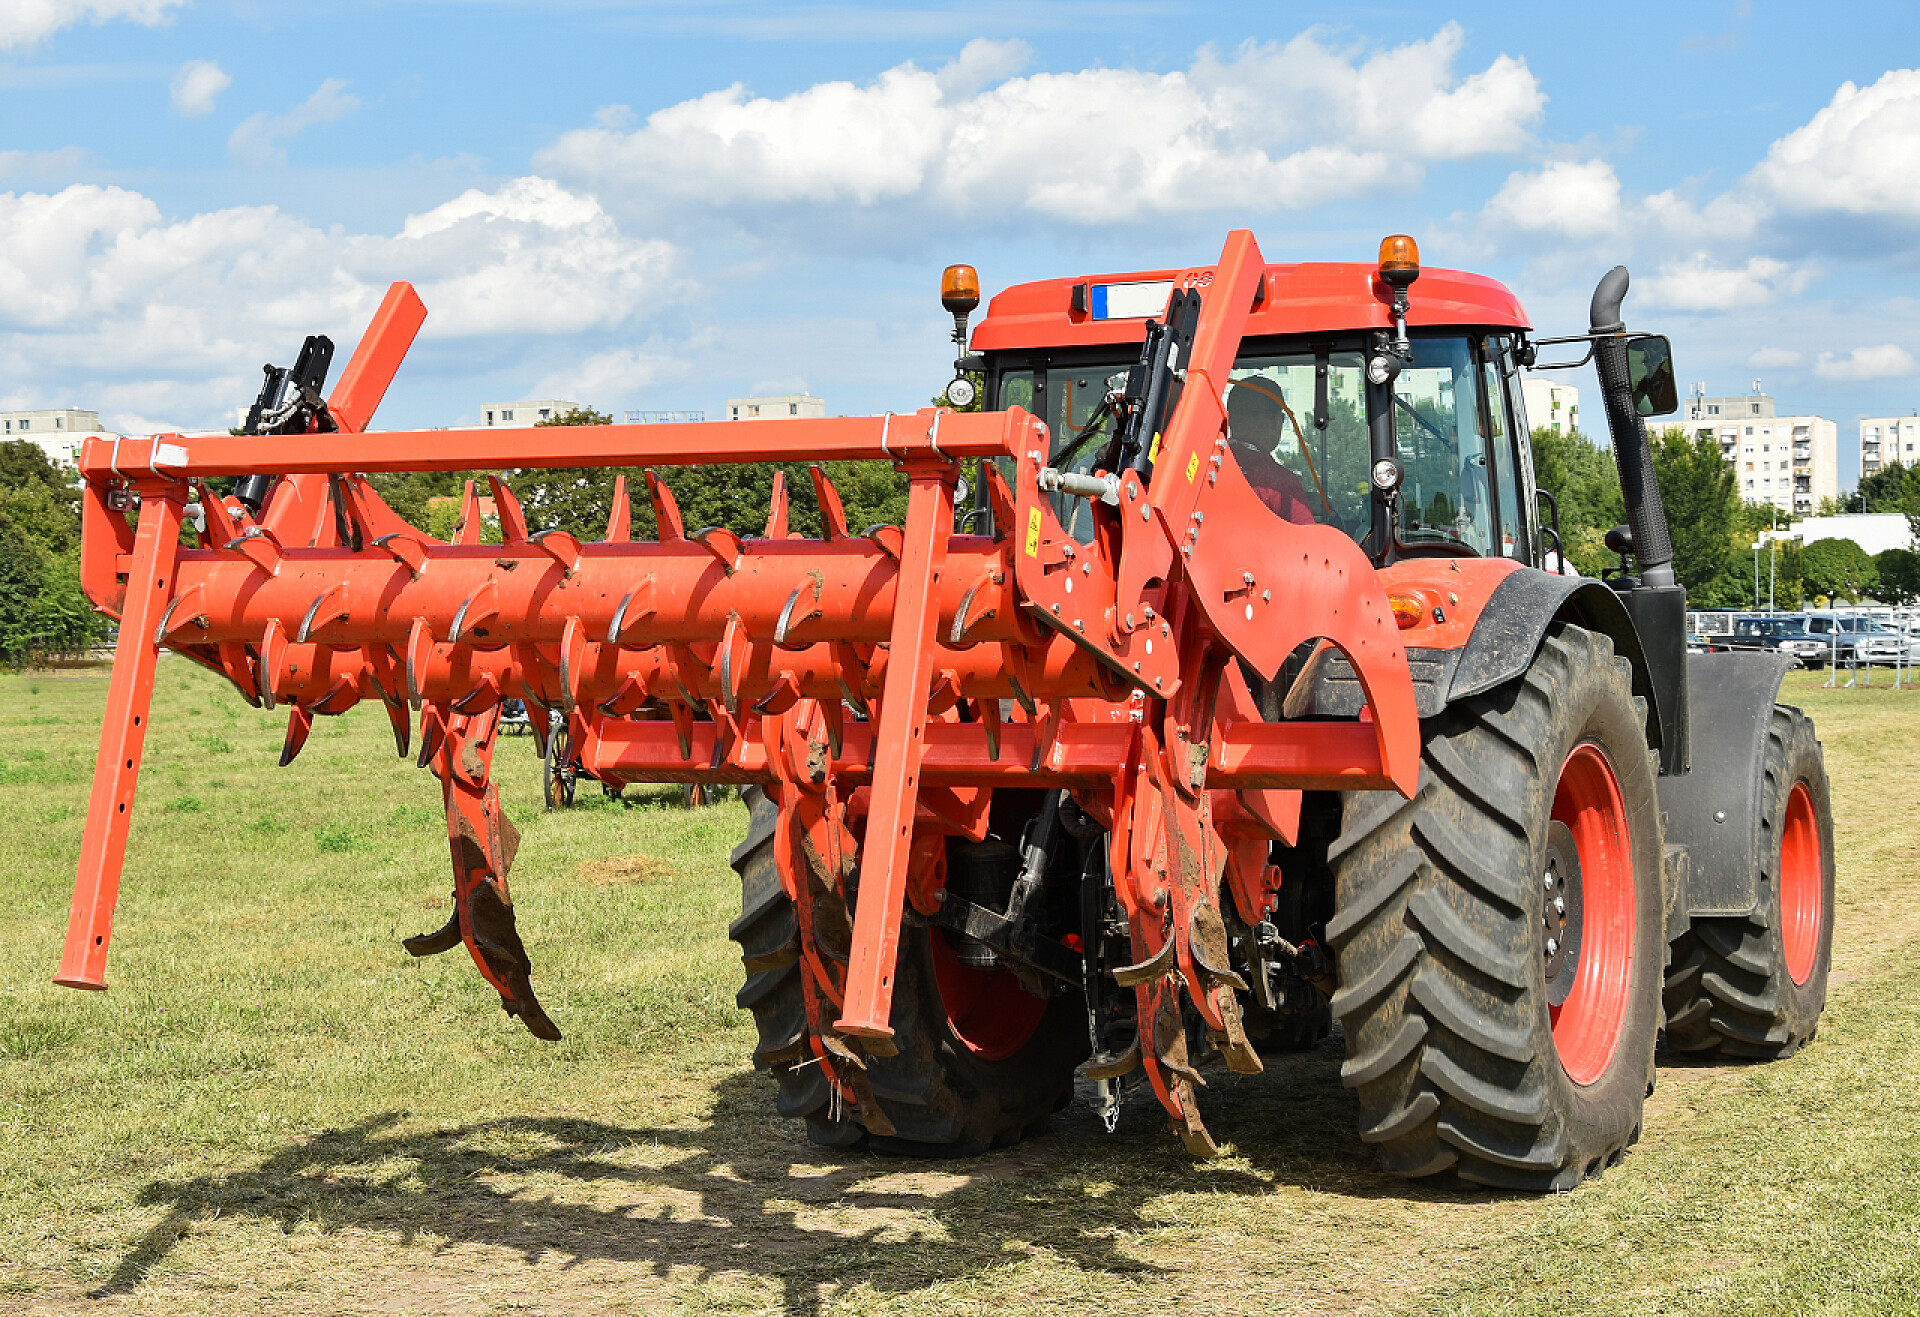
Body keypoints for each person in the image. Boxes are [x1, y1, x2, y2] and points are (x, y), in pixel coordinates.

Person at [1225, 379, 1318, 525]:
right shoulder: (1281, 484)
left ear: (1228, 418)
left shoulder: (1206, 469)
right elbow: (1307, 544)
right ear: (1276, 421)